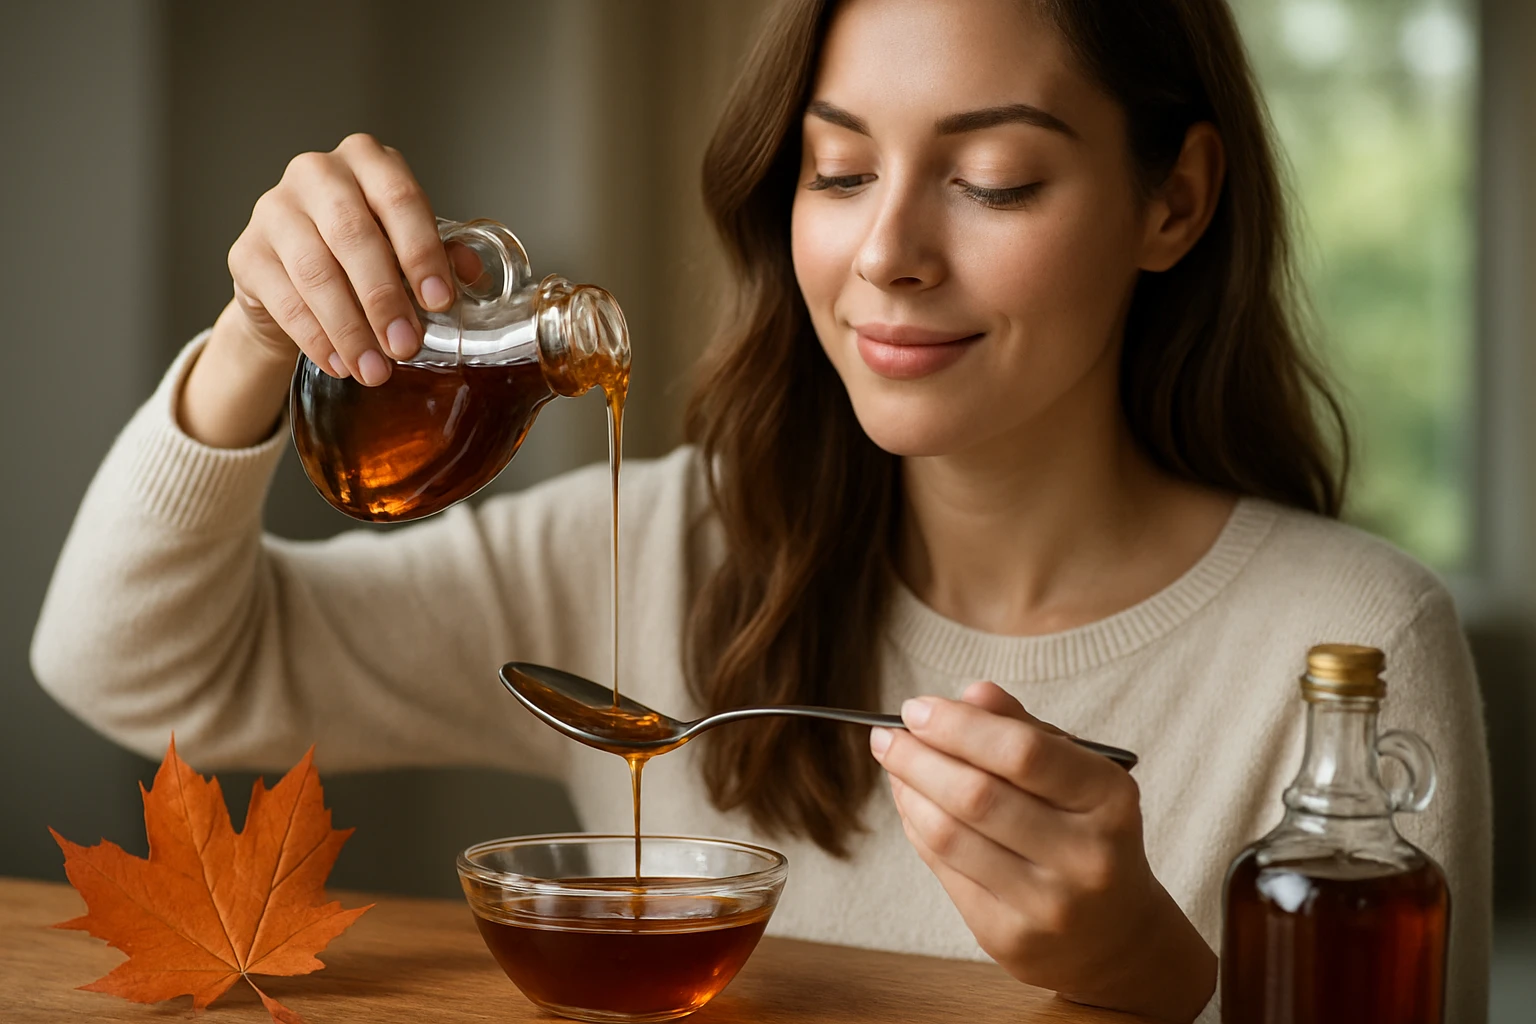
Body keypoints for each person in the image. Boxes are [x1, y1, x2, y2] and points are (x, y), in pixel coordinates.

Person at [31, 0, 1490, 1020]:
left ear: (1174, 200)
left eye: (993, 178)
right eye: (840, 168)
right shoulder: (673, 554)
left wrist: (1157, 984)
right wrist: (249, 345)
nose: (888, 253)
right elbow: (136, 665)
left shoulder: (1344, 646)